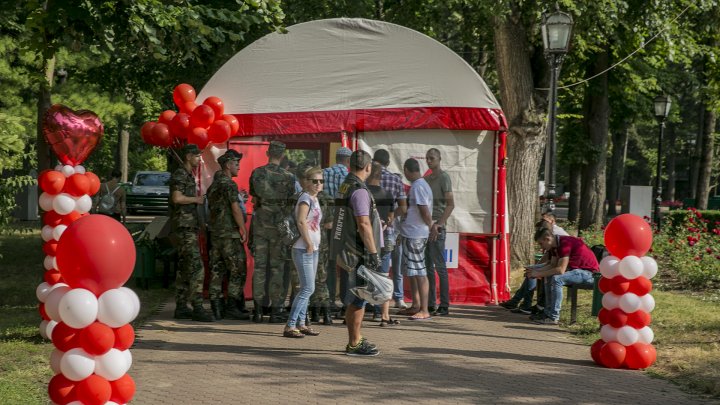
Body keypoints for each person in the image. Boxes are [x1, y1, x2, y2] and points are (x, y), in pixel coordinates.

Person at [332, 150, 382, 356]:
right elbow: (363, 223)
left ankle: (356, 338)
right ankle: (354, 343)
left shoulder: (345, 185)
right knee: (359, 297)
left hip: (344, 249)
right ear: (368, 167)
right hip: (357, 252)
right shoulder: (360, 190)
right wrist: (373, 252)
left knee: (354, 296)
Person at [249, 140, 297, 323]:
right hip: (279, 226)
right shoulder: (288, 177)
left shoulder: (257, 173)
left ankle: (258, 310)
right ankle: (276, 310)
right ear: (282, 155)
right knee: (277, 268)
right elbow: (291, 201)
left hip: (261, 223)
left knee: (260, 268)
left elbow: (255, 197)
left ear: (268, 153)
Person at [169, 144, 213, 322]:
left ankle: (181, 306)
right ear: (188, 156)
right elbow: (177, 198)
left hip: (188, 226)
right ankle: (197, 306)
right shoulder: (180, 174)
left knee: (184, 268)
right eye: (196, 156)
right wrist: (197, 199)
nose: (199, 159)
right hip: (184, 227)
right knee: (196, 268)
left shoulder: (187, 175)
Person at [206, 150, 249, 321]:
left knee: (217, 270)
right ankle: (232, 307)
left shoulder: (214, 184)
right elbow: (235, 208)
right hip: (229, 234)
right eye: (236, 163)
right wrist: (242, 229)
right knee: (237, 270)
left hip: (215, 233)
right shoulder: (229, 184)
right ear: (227, 165)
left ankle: (216, 307)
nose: (238, 167)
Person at [283, 167, 325, 338]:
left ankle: (301, 323)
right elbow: (301, 221)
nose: (318, 184)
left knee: (307, 288)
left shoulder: (314, 199)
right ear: (306, 181)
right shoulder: (305, 198)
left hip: (311, 249)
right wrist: (308, 242)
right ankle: (290, 325)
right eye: (314, 181)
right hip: (303, 248)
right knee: (307, 288)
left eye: (321, 181)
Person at [527, 228, 599, 325]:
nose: (541, 248)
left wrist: (537, 274)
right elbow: (552, 265)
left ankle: (553, 317)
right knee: (549, 276)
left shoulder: (564, 243)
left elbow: (560, 270)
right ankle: (547, 313)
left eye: (541, 244)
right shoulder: (554, 246)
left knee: (557, 279)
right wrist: (535, 271)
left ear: (547, 239)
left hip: (589, 274)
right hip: (576, 271)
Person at [372, 149, 408, 309]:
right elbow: (403, 207)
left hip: (371, 230)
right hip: (390, 230)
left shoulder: (368, 179)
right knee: (391, 268)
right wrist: (392, 217)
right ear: (387, 163)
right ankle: (394, 300)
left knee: (371, 268)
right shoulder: (395, 180)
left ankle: (372, 303)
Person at [398, 158, 433, 320]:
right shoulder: (419, 185)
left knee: (419, 271)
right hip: (411, 233)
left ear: (406, 170)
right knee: (412, 271)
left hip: (416, 235)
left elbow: (424, 210)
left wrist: (431, 226)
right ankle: (416, 305)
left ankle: (424, 309)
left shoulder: (418, 186)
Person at [367, 161, 399, 326]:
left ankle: (369, 309)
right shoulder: (387, 194)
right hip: (385, 237)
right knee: (383, 275)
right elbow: (391, 217)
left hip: (367, 238)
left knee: (366, 274)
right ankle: (382, 313)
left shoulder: (363, 192)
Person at [424, 148, 454, 316]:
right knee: (427, 267)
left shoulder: (444, 178)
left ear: (439, 159)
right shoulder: (426, 180)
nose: (429, 161)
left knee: (440, 268)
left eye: (432, 158)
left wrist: (439, 224)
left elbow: (451, 204)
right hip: (426, 227)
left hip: (438, 228)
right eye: (427, 158)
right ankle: (430, 303)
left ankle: (444, 304)